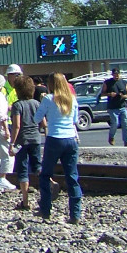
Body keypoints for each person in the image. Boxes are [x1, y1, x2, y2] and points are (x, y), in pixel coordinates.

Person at [35, 73, 83, 223]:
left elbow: (37, 118)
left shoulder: (48, 99)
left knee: (45, 174)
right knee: (72, 177)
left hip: (55, 138)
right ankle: (75, 214)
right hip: (70, 139)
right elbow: (75, 120)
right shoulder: (72, 99)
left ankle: (45, 210)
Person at [8, 75, 44, 211]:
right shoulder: (36, 103)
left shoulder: (17, 105)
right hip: (36, 138)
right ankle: (50, 183)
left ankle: (25, 201)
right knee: (37, 166)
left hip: (22, 140)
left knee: (22, 170)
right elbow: (43, 123)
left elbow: (16, 126)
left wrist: (12, 143)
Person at [98, 67, 127, 147]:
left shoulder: (124, 82)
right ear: (112, 74)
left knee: (126, 124)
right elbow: (102, 93)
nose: (116, 76)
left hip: (122, 106)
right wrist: (110, 94)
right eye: (114, 74)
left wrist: (124, 96)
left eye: (117, 74)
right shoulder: (108, 82)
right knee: (115, 123)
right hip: (112, 107)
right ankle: (111, 137)